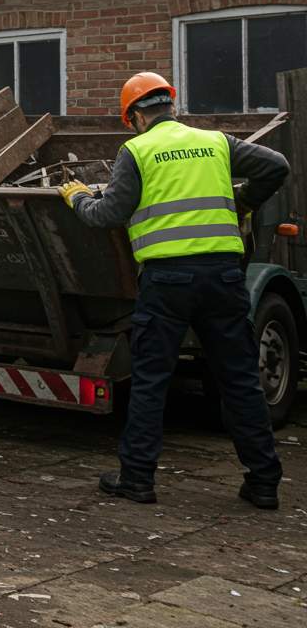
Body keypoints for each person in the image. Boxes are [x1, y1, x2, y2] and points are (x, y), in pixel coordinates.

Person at [59, 71, 289, 509]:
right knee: (240, 381)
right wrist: (244, 202)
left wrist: (77, 197)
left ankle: (138, 480)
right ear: (171, 105)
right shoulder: (216, 143)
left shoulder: (137, 150)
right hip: (223, 277)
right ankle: (263, 483)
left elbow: (109, 213)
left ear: (133, 117)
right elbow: (276, 167)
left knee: (151, 382)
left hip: (167, 283)